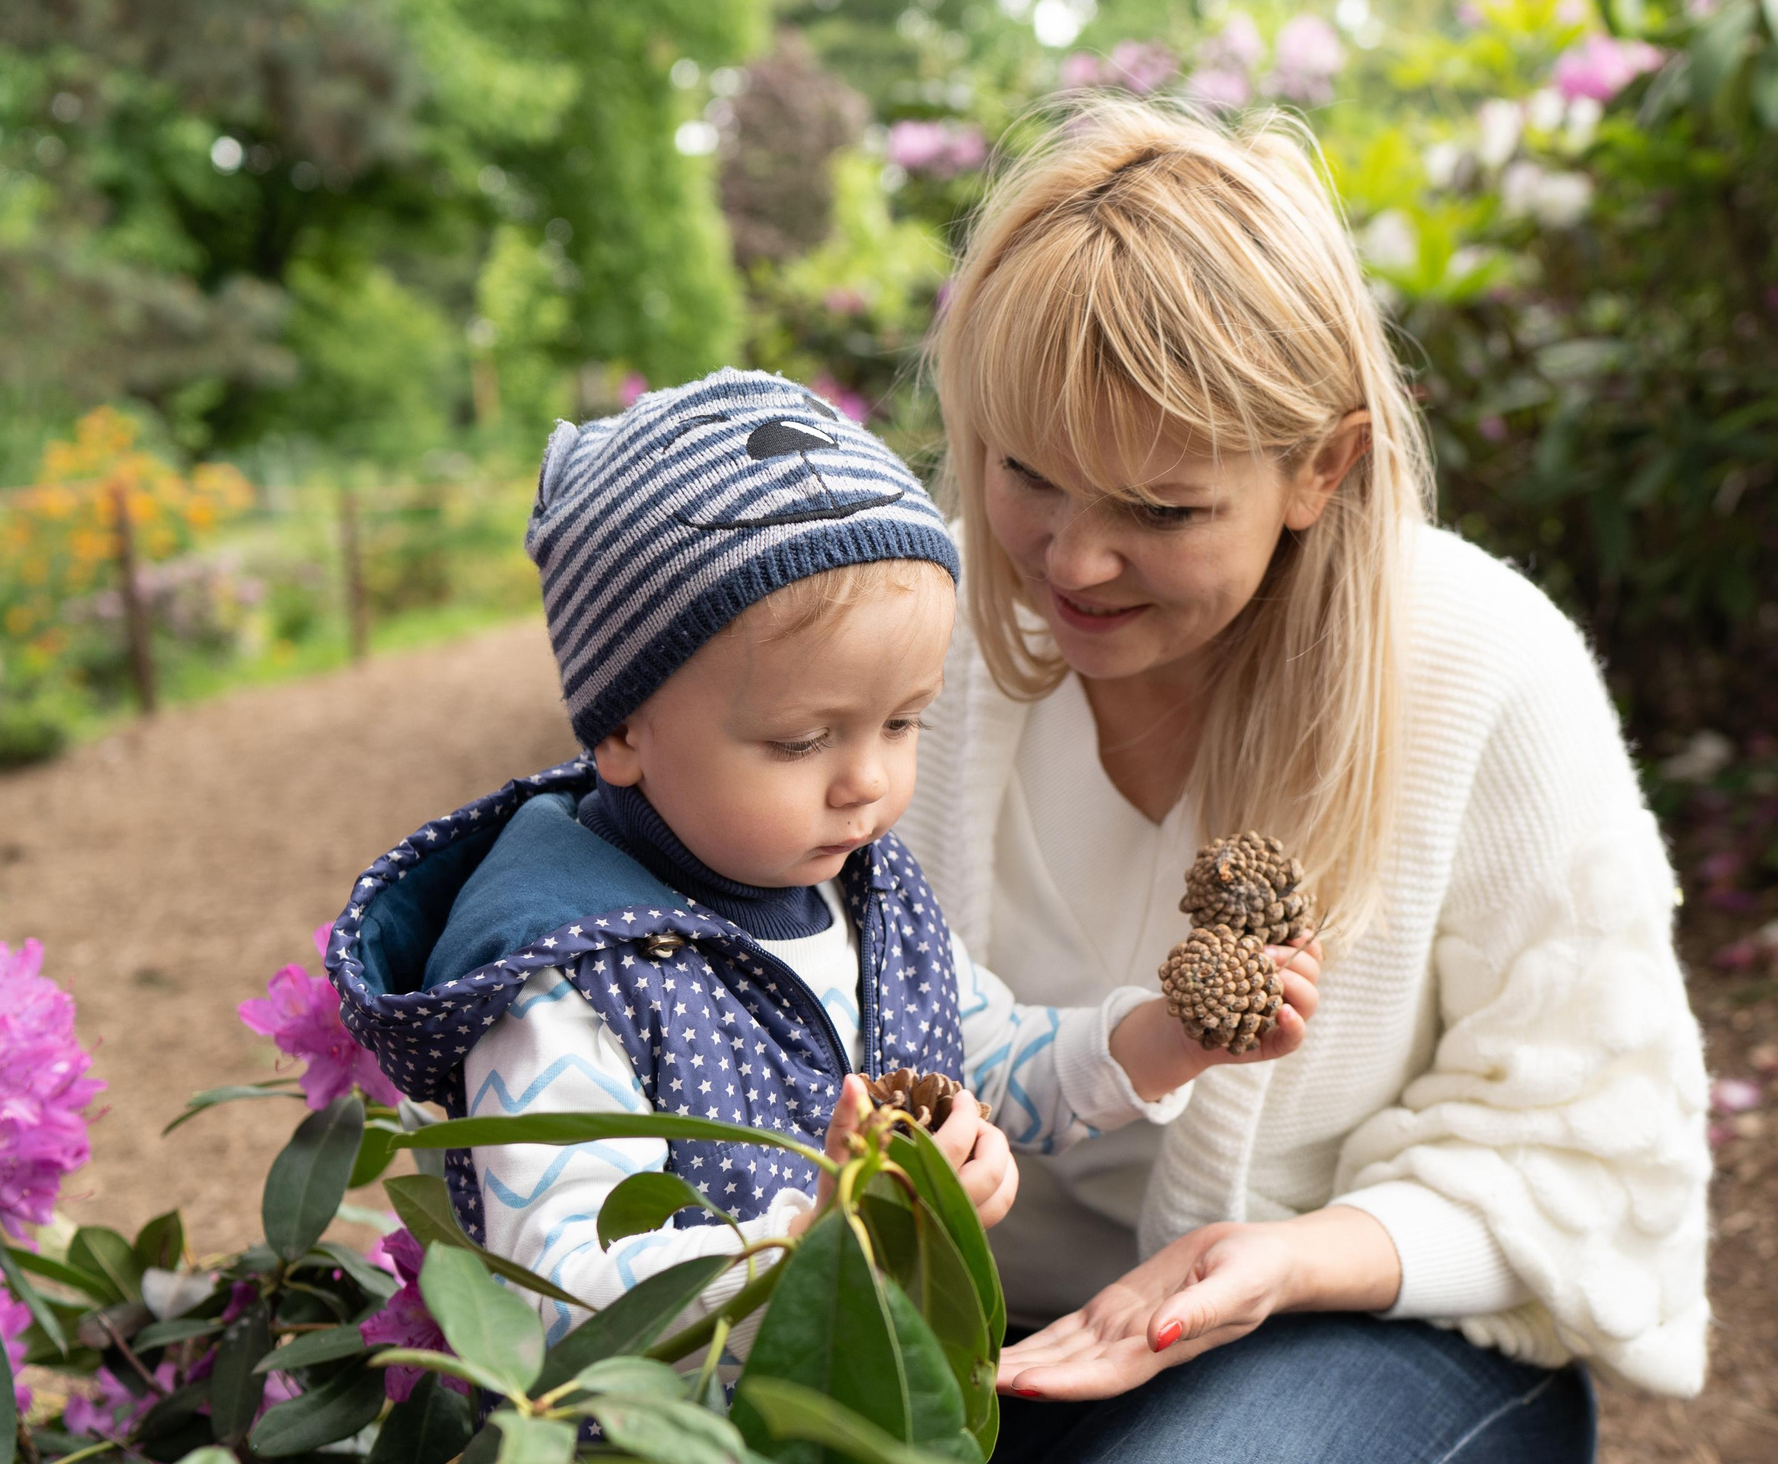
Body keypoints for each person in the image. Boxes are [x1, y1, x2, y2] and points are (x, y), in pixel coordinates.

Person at [901, 103, 1713, 1464]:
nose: (1070, 559)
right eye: (1021, 471)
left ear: (1318, 470)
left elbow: (1596, 1146)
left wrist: (1286, 1259)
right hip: (968, 1338)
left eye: (1159, 505)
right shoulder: (915, 638)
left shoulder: (1488, 670)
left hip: (1355, 1339)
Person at [323, 369, 1323, 1366]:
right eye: (803, 740)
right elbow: (565, 1304)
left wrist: (1161, 1039)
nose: (868, 782)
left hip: (863, 1441)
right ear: (623, 728)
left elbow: (993, 1057)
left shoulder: (860, 892)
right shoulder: (563, 986)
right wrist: (825, 1229)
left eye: (902, 723)